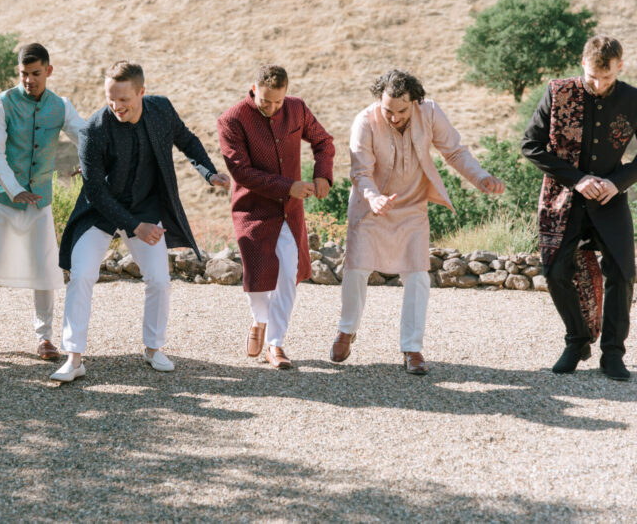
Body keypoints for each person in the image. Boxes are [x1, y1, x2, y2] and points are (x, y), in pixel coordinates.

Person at [51, 61, 230, 382]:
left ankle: (152, 348)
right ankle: (74, 358)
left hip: (147, 207)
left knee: (160, 279)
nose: (116, 106)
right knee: (81, 276)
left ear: (142, 93)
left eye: (124, 99)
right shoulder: (93, 129)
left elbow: (186, 140)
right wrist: (134, 227)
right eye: (110, 98)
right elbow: (95, 190)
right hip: (100, 211)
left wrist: (208, 171)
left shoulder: (160, 110)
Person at [331, 70, 504, 374]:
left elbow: (454, 151)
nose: (394, 117)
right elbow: (360, 173)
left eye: (401, 110)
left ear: (414, 101)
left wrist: (481, 177)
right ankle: (347, 330)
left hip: (412, 205)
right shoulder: (364, 122)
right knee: (356, 268)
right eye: (388, 110)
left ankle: (412, 348)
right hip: (371, 205)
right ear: (378, 101)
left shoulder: (431, 112)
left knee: (417, 274)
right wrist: (373, 198)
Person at [522, 35, 636, 381]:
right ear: (582, 64)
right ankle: (577, 340)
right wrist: (576, 178)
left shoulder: (633, 99)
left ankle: (613, 353)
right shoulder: (558, 92)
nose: (598, 85)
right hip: (565, 197)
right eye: (592, 77)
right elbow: (531, 145)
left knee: (623, 271)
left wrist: (618, 182)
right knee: (554, 271)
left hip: (610, 198)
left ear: (620, 67)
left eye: (607, 78)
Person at [0, 43, 85, 360]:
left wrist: (89, 160)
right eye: (23, 74)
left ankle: (44, 337)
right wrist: (15, 188)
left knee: (45, 268)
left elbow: (84, 134)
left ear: (48, 70)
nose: (29, 80)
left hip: (38, 201)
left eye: (35, 73)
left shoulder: (61, 106)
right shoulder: (0, 104)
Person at [217, 64, 335, 369]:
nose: (272, 108)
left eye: (278, 102)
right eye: (265, 102)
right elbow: (241, 171)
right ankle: (259, 320)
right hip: (252, 208)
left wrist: (323, 175)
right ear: (253, 89)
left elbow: (324, 142)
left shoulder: (296, 108)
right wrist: (289, 186)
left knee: (288, 270)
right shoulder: (231, 120)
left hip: (289, 210)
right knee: (257, 273)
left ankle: (276, 343)